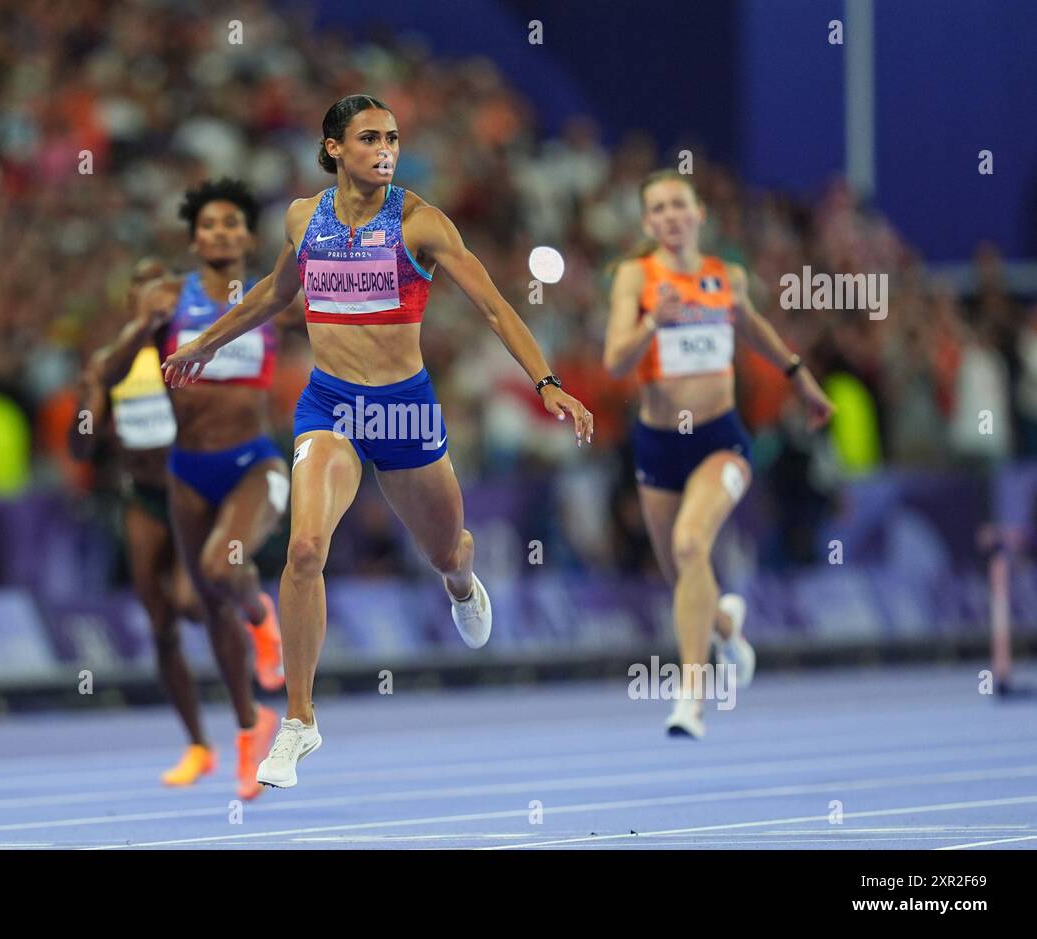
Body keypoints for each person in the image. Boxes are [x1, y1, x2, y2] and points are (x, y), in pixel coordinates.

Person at [163, 94, 594, 788]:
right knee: (305, 547)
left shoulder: (421, 224)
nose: (386, 148)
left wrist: (546, 382)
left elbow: (492, 303)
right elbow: (275, 296)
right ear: (334, 147)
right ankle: (299, 720)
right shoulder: (305, 218)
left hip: (404, 412)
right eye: (369, 138)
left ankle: (460, 582)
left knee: (446, 549)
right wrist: (206, 343)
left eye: (393, 136)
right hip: (330, 405)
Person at [604, 169, 835, 738]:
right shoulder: (635, 277)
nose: (670, 217)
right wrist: (654, 321)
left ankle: (691, 698)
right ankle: (727, 624)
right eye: (657, 209)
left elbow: (750, 326)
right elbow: (614, 362)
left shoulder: (725, 276)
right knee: (682, 572)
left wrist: (800, 378)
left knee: (690, 545)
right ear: (647, 222)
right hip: (658, 445)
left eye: (679, 205)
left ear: (699, 213)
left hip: (720, 440)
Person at [77, 245, 280, 801]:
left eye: (162, 286)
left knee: (198, 600)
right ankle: (198, 745)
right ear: (130, 301)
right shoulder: (116, 357)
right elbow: (81, 437)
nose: (153, 295)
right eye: (142, 287)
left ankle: (251, 673)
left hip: (186, 489)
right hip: (142, 498)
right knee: (161, 622)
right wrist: (92, 410)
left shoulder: (183, 347)